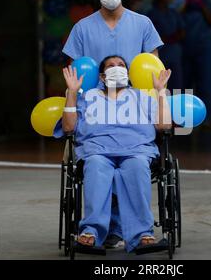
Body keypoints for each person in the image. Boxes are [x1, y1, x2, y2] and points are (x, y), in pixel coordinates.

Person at [62, 0, 164, 248]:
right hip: (95, 105)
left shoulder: (142, 24)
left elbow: (153, 70)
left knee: (132, 161)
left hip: (133, 105)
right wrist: (74, 100)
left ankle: (131, 232)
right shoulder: (83, 28)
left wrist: (157, 99)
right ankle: (100, 230)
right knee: (98, 160)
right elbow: (74, 73)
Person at [61, 56, 172, 252]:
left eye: (121, 65)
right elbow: (69, 127)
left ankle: (143, 234)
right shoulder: (87, 97)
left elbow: (164, 125)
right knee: (95, 165)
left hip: (136, 151)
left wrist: (161, 91)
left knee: (137, 167)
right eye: (111, 66)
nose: (117, 68)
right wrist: (71, 92)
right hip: (97, 151)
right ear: (102, 76)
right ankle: (90, 232)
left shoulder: (143, 97)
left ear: (128, 74)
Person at [173, 0, 211, 125]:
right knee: (182, 85)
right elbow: (174, 18)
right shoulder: (176, 2)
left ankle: (207, 120)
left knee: (205, 84)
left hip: (203, 49)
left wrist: (200, 5)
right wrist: (185, 2)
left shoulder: (203, 1)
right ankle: (181, 120)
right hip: (184, 50)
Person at [148, 0, 185, 90]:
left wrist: (172, 38)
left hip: (175, 55)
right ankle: (161, 106)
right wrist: (165, 39)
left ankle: (177, 107)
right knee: (161, 87)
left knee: (177, 86)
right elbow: (150, 36)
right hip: (161, 55)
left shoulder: (173, 13)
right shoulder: (152, 13)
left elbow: (182, 32)